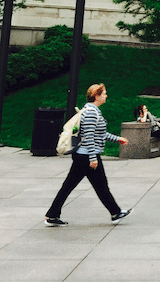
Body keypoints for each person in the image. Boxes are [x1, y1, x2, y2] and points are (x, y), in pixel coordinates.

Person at [45, 83, 132, 226]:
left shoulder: (92, 110)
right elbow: (89, 136)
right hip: (87, 156)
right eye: (104, 93)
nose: (106, 96)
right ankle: (115, 212)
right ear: (96, 96)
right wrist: (93, 158)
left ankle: (52, 215)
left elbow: (100, 134)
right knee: (101, 186)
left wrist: (117, 139)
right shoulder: (91, 113)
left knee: (70, 185)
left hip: (82, 155)